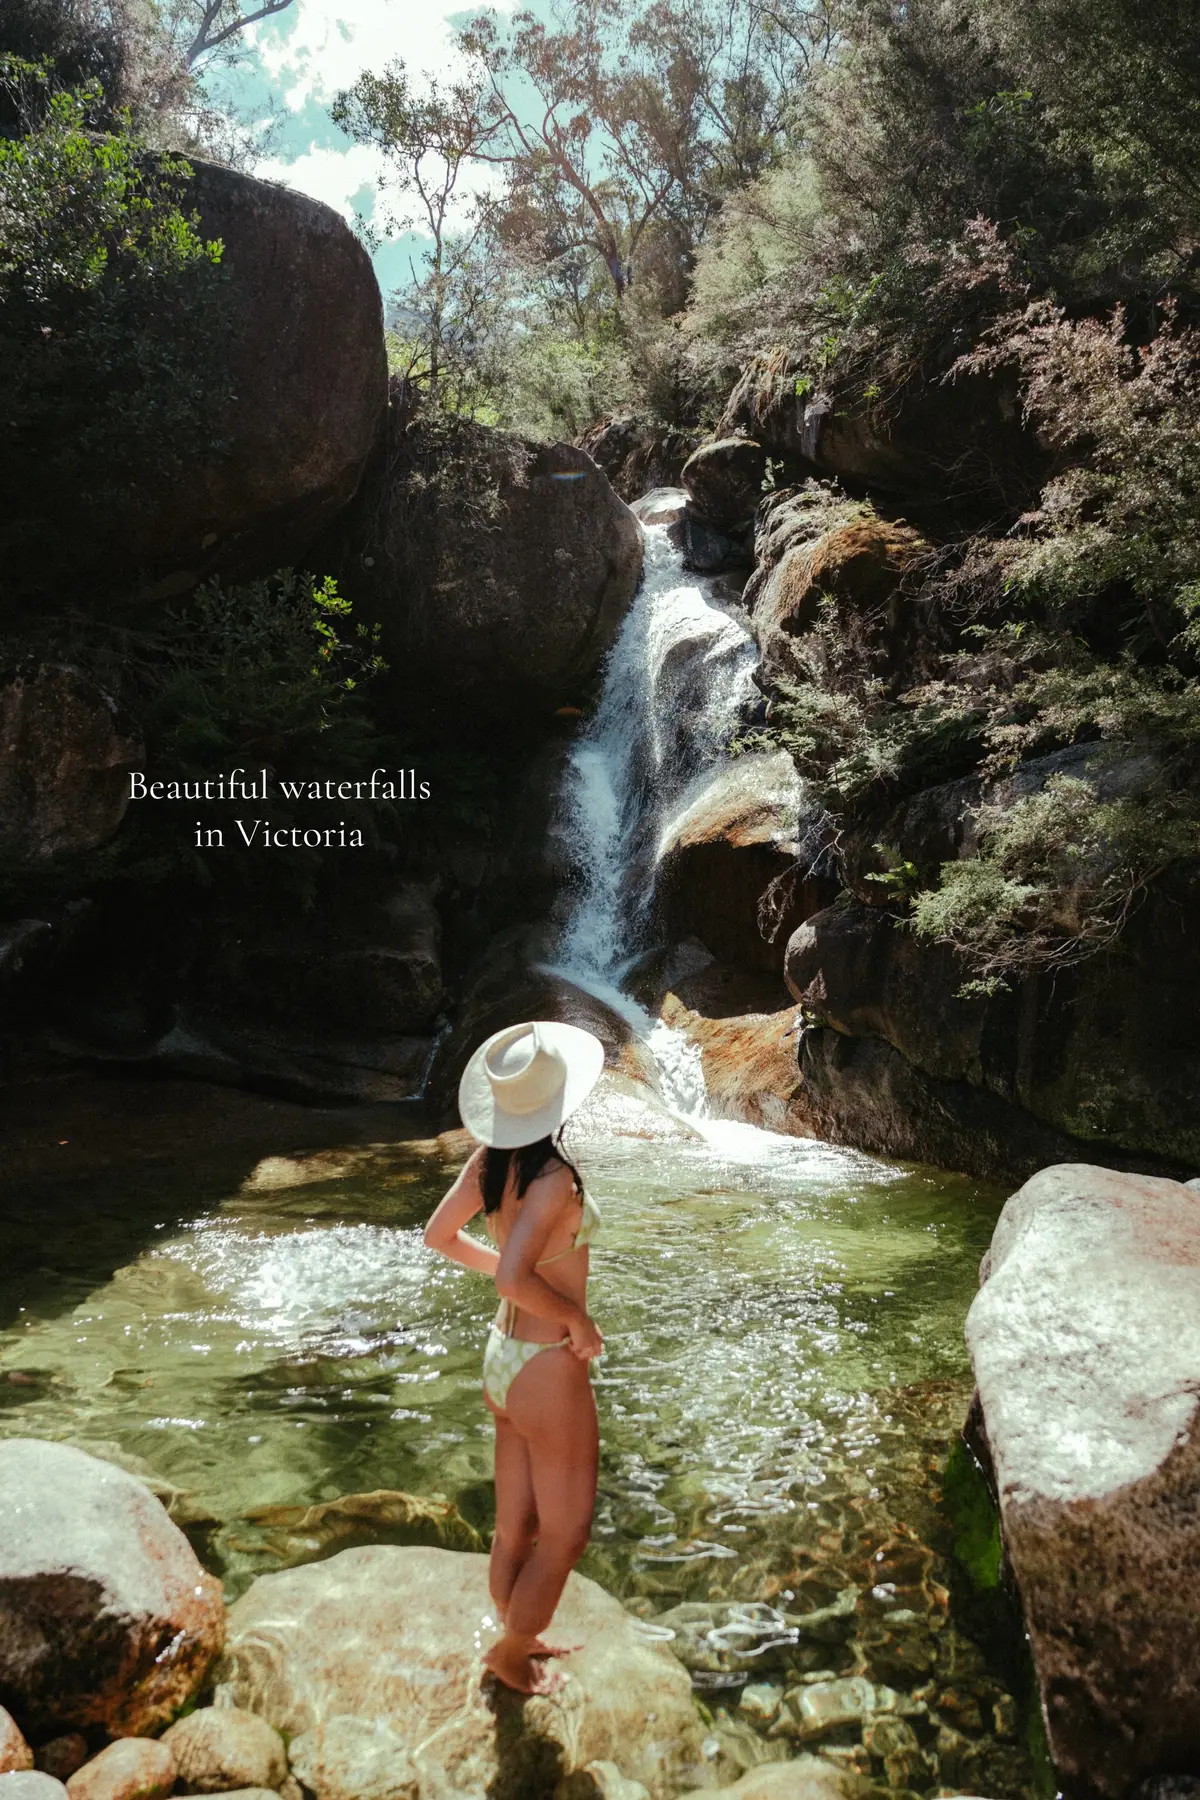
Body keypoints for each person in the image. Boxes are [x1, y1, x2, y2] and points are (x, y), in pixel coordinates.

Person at [423, 1020, 606, 1696]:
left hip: (503, 1359)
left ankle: (512, 1634)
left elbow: (438, 1237)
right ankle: (512, 1651)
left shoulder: (488, 1163)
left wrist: (512, 1271)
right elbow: (513, 1277)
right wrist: (575, 1318)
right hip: (546, 1366)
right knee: (565, 1536)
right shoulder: (553, 1177)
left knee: (513, 1527)